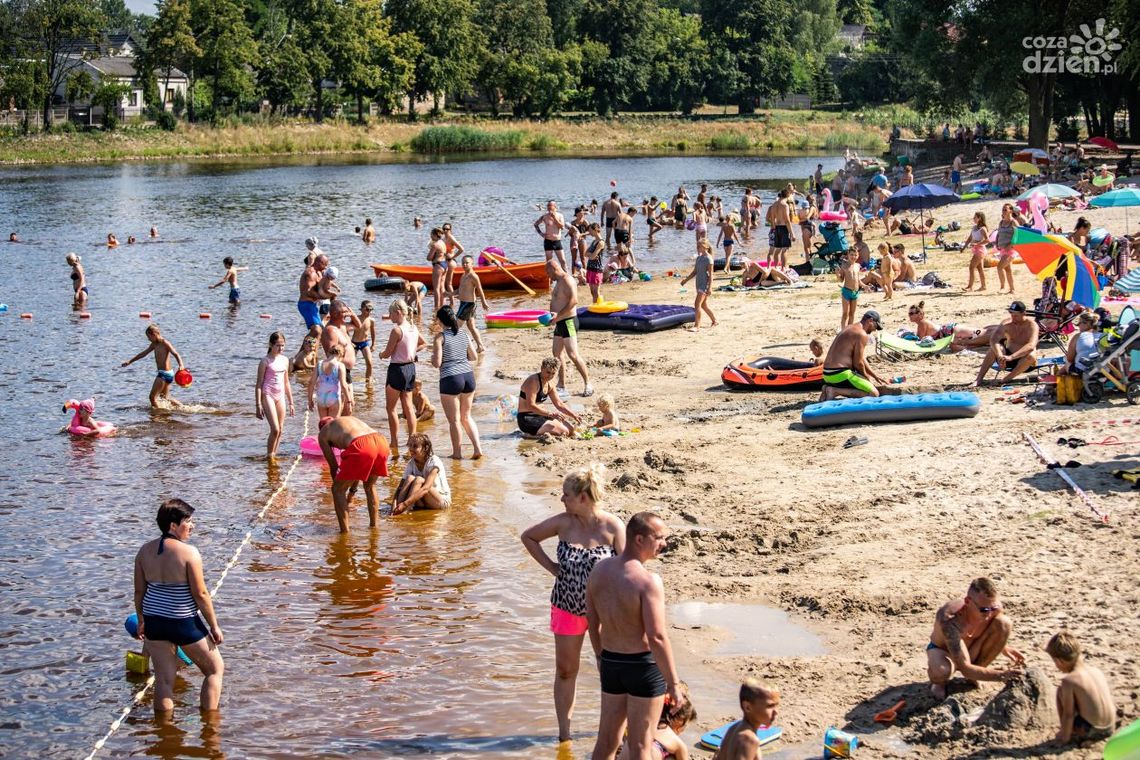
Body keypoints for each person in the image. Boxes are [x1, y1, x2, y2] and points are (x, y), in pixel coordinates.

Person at [521, 465, 626, 743]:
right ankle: (564, 736)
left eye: (565, 494)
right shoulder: (562, 523)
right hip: (567, 607)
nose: (561, 499)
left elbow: (628, 569)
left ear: (583, 497)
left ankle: (614, 733)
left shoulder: (613, 526)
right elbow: (528, 537)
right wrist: (553, 568)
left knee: (609, 670)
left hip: (604, 612)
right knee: (566, 670)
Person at [586, 511, 683, 760]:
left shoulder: (599, 571)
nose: (664, 543)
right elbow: (657, 636)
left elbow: (592, 621)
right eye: (659, 538)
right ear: (639, 539)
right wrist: (673, 683)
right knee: (641, 745)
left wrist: (600, 656)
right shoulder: (649, 581)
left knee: (607, 741)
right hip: (642, 667)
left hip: (611, 663)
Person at [133, 498, 224, 715]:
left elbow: (139, 592)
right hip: (182, 622)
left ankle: (165, 736)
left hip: (154, 621)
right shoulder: (189, 552)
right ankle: (210, 727)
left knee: (164, 681)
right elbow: (201, 594)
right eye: (188, 521)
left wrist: (141, 621)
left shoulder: (144, 552)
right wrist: (214, 626)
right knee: (214, 670)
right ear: (173, 526)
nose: (192, 526)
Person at [926, 577, 1025, 700]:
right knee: (941, 672)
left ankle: (976, 675)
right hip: (943, 651)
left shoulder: (994, 608)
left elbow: (996, 628)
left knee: (1005, 623)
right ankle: (938, 684)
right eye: (984, 610)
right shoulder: (950, 620)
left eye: (992, 608)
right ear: (967, 602)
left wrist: (1004, 647)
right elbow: (965, 668)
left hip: (971, 647)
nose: (989, 614)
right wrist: (1002, 675)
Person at [317, 415, 389, 532]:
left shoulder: (323, 434)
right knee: (370, 486)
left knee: (337, 490)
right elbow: (357, 472)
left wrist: (340, 492)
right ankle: (374, 528)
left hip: (362, 445)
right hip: (381, 441)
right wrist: (351, 492)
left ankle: (344, 534)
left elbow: (334, 468)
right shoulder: (346, 421)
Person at [1046, 631, 1116, 744]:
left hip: (1091, 730)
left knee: (1060, 691)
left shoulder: (1069, 681)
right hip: (1110, 727)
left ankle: (1066, 732)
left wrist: (1064, 738)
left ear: (1060, 661)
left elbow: (1068, 714)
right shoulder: (1096, 671)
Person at [431, 306, 482, 459]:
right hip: (468, 376)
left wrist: (433, 359)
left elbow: (437, 363)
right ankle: (477, 449)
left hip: (450, 378)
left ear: (440, 320)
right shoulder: (463, 334)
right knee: (466, 417)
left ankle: (457, 453)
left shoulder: (440, 337)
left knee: (454, 421)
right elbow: (474, 357)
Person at [380, 299, 424, 457]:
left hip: (397, 369)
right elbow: (423, 343)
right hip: (410, 368)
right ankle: (413, 439)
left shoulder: (397, 331)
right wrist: (413, 352)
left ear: (398, 313)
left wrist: (380, 355)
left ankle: (394, 441)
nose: (389, 316)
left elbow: (388, 352)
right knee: (408, 407)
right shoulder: (413, 328)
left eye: (391, 313)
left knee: (391, 408)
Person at [547, 258, 593, 396]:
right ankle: (561, 385)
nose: (548, 276)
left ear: (554, 269)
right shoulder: (558, 281)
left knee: (573, 355)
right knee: (556, 354)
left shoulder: (567, 280)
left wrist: (558, 315)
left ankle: (588, 384)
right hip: (560, 321)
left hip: (568, 321)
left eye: (548, 273)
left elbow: (574, 301)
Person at [819, 311, 887, 401]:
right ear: (870, 321)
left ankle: (826, 389)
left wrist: (874, 375)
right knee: (874, 394)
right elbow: (858, 363)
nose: (875, 330)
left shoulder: (849, 327)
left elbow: (861, 358)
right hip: (840, 374)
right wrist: (866, 378)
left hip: (827, 375)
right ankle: (835, 391)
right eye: (876, 326)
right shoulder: (861, 334)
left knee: (863, 382)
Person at [972, 302, 1040, 386]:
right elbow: (994, 339)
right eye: (1011, 315)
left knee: (1031, 355)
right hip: (1006, 357)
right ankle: (978, 379)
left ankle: (1005, 379)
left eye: (1016, 316)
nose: (1013, 318)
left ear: (1024, 313)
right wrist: (1000, 355)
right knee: (993, 349)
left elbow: (1031, 346)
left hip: (1023, 359)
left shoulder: (1032, 325)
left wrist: (1011, 357)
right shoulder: (1006, 323)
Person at [712, 680, 781, 760]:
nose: (776, 711)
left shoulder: (733, 729)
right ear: (747, 707)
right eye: (770, 706)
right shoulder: (749, 739)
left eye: (777, 705)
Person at [122, 324, 187, 408]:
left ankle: (157, 414)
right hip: (169, 374)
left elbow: (176, 353)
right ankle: (184, 407)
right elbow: (144, 353)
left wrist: (181, 365)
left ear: (154, 334)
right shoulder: (154, 344)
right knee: (165, 398)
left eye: (149, 337)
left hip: (164, 374)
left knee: (152, 398)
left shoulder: (165, 343)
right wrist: (130, 361)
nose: (148, 339)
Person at [518, 356, 581, 437]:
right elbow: (530, 406)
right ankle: (530, 436)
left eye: (553, 373)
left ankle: (538, 433)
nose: (550, 376)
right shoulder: (533, 381)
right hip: (527, 418)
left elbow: (559, 404)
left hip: (541, 415)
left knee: (571, 429)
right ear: (541, 368)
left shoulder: (550, 383)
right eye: (548, 372)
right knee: (564, 432)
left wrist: (574, 415)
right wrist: (550, 414)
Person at [255, 332, 295, 458]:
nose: (281, 348)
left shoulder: (285, 360)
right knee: (275, 429)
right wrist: (258, 405)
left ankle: (273, 455)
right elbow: (259, 384)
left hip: (280, 395)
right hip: (268, 395)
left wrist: (291, 402)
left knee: (281, 430)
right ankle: (269, 455)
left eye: (283, 345)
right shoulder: (265, 361)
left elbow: (286, 382)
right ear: (271, 345)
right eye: (278, 345)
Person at [392, 432, 451, 514]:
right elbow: (400, 488)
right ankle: (397, 511)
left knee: (419, 480)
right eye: (410, 445)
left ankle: (405, 510)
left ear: (425, 448)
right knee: (409, 478)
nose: (411, 449)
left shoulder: (434, 461)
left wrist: (405, 504)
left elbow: (426, 488)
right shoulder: (411, 463)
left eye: (415, 446)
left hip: (441, 501)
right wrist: (393, 505)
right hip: (422, 501)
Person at [681, 239, 718, 330]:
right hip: (698, 284)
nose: (697, 248)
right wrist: (685, 280)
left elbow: (711, 274)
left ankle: (697, 326)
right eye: (697, 246)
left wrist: (709, 288)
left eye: (699, 246)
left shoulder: (709, 259)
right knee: (703, 305)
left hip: (704, 285)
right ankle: (715, 321)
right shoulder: (699, 258)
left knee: (697, 304)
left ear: (706, 247)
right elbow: (694, 272)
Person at [456, 255, 490, 353]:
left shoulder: (473, 276)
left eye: (467, 263)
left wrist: (484, 302)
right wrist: (449, 294)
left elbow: (479, 289)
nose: (465, 264)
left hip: (468, 304)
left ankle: (456, 347)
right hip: (463, 303)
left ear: (472, 264)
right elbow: (460, 289)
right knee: (471, 326)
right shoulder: (463, 275)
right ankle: (480, 346)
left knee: (456, 326)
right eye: (463, 263)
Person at [308, 344, 350, 419]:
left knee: (323, 425)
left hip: (321, 398)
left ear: (330, 353)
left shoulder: (319, 364)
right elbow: (344, 385)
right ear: (341, 355)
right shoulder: (340, 365)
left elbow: (311, 383)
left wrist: (310, 399)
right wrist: (349, 401)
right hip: (333, 398)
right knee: (333, 426)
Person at [298, 247, 328, 329]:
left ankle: (313, 342)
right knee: (316, 330)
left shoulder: (318, 273)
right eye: (325, 265)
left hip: (313, 305)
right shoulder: (310, 273)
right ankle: (306, 342)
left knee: (319, 329)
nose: (325, 267)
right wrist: (324, 296)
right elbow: (309, 291)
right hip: (306, 304)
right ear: (319, 263)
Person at [535, 200, 568, 269]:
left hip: (557, 241)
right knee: (549, 262)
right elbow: (536, 224)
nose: (549, 207)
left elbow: (562, 227)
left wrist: (554, 218)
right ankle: (550, 279)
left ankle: (566, 276)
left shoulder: (560, 216)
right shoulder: (544, 216)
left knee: (563, 261)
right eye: (548, 205)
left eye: (550, 205)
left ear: (555, 207)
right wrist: (541, 234)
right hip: (548, 241)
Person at [351, 301, 378, 381]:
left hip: (364, 343)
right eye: (367, 309)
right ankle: (345, 378)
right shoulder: (356, 318)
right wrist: (348, 343)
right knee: (350, 363)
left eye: (370, 310)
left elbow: (373, 332)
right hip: (354, 343)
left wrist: (373, 344)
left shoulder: (371, 320)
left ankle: (368, 379)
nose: (369, 312)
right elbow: (347, 329)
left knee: (369, 363)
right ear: (362, 309)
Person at [769, 188, 796, 269]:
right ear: (787, 195)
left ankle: (776, 268)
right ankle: (783, 268)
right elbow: (787, 220)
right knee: (784, 250)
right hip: (784, 228)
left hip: (776, 228)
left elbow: (772, 219)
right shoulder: (785, 205)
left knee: (777, 250)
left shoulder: (774, 204)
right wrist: (792, 233)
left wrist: (774, 228)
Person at [994, 204, 1018, 294]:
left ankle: (1002, 287)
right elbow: (998, 234)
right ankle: (1012, 289)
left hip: (1011, 250)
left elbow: (1018, 235)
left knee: (999, 267)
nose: (1003, 211)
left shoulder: (1013, 222)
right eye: (1003, 209)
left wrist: (1011, 245)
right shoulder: (1001, 222)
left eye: (1005, 209)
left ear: (1011, 211)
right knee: (1008, 270)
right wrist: (996, 242)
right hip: (1002, 249)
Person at [837, 249, 862, 330]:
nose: (853, 257)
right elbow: (841, 279)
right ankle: (843, 331)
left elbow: (858, 280)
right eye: (851, 254)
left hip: (855, 292)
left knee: (852, 314)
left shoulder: (857, 265)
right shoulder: (844, 266)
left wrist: (865, 286)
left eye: (855, 255)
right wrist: (837, 274)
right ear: (848, 255)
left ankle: (849, 330)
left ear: (858, 256)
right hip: (846, 291)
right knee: (845, 313)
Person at [965, 212, 989, 292]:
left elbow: (987, 240)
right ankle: (983, 286)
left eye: (975, 217)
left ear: (979, 218)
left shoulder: (983, 229)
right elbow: (970, 238)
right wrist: (964, 247)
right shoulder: (974, 227)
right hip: (976, 250)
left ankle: (970, 286)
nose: (973, 218)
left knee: (971, 267)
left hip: (980, 250)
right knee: (980, 269)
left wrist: (977, 244)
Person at [441, 223, 464, 305]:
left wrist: (453, 256)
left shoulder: (451, 237)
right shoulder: (443, 238)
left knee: (448, 283)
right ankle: (444, 301)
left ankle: (452, 303)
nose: (445, 230)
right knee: (443, 283)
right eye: (444, 229)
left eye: (447, 229)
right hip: (444, 261)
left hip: (451, 262)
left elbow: (461, 249)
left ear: (450, 230)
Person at [584, 222, 607, 303]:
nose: (589, 232)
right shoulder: (594, 241)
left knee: (596, 291)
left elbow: (593, 256)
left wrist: (591, 255)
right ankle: (595, 305)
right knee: (592, 291)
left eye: (590, 230)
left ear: (596, 230)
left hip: (597, 269)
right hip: (590, 267)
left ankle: (597, 306)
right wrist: (591, 255)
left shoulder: (601, 242)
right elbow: (585, 253)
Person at [427, 227, 448, 312]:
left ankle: (436, 308)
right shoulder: (442, 243)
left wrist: (431, 250)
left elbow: (429, 258)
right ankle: (442, 305)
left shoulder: (435, 245)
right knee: (442, 287)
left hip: (438, 266)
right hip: (444, 265)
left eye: (431, 234)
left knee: (436, 288)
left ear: (435, 234)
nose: (430, 236)